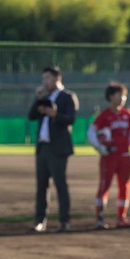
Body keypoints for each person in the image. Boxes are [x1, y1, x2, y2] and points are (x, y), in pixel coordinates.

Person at [28, 66, 78, 232]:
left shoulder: (68, 97)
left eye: (47, 78)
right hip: (43, 147)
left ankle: (64, 221)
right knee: (41, 186)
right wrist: (38, 100)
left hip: (58, 148)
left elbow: (70, 119)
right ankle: (39, 221)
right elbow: (31, 116)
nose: (45, 82)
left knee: (60, 184)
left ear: (57, 78)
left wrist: (55, 114)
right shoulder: (45, 96)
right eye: (43, 79)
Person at [87, 82, 130, 229]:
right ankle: (100, 219)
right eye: (119, 95)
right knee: (104, 186)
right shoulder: (104, 115)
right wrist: (99, 146)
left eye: (124, 96)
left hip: (124, 156)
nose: (122, 98)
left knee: (124, 187)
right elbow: (91, 132)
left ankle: (122, 217)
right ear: (111, 97)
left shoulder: (127, 115)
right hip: (109, 157)